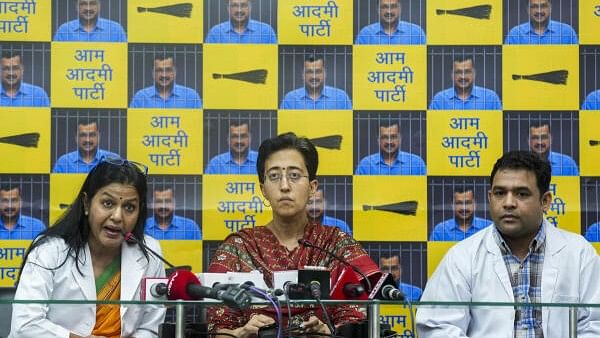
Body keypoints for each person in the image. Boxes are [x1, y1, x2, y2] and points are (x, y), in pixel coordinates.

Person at [207, 132, 381, 337]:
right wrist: (242, 333)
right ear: (263, 189)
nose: (284, 186)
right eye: (274, 176)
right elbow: (217, 328)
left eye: (294, 175)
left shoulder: (336, 245)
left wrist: (327, 332)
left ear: (312, 188)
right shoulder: (238, 247)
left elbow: (358, 324)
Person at [416, 151, 600, 338]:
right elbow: (437, 326)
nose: (508, 203)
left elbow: (596, 325)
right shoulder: (462, 257)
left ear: (545, 201)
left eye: (521, 194)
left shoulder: (579, 254)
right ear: (490, 197)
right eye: (500, 193)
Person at [10, 158, 166, 338]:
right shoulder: (49, 250)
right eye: (108, 203)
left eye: (129, 207)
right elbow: (25, 325)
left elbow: (151, 328)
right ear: (86, 203)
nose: (117, 216)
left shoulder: (149, 253)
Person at [130, 54, 202, 109]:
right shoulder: (141, 97)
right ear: (153, 73)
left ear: (175, 72)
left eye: (168, 70)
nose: (164, 75)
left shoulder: (191, 96)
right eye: (159, 70)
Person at [429, 56, 501, 110]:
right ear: (452, 75)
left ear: (474, 73)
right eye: (458, 72)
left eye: (467, 72)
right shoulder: (440, 99)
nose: (463, 76)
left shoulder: (491, 98)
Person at [280, 56, 352, 110]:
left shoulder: (341, 97)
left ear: (325, 74)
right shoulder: (290, 98)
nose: (314, 76)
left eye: (318, 72)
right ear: (303, 75)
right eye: (309, 72)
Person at [355, 122, 426, 175]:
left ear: (400, 138)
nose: (389, 142)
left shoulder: (417, 163)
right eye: (384, 137)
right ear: (378, 140)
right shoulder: (365, 164)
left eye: (393, 137)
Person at [53, 121, 120, 173]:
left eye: (92, 135)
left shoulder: (114, 159)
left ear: (98, 136)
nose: (87, 140)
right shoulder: (64, 162)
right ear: (76, 138)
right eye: (83, 135)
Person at [505, 0, 578, 45]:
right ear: (528, 9)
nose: (539, 11)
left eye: (543, 6)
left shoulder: (567, 32)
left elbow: (576, 62)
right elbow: (509, 63)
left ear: (550, 8)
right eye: (534, 6)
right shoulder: (515, 34)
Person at [355, 0, 425, 45]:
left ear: (400, 9)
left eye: (393, 6)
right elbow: (359, 64)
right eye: (384, 7)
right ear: (378, 10)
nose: (389, 11)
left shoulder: (416, 33)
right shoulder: (366, 34)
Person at [205, 0, 276, 44]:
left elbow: (273, 61)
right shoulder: (215, 32)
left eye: (244, 5)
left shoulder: (266, 31)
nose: (239, 10)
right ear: (228, 8)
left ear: (250, 8)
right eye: (234, 6)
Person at [54, 0, 126, 42]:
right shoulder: (64, 30)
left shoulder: (116, 29)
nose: (88, 8)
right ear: (77, 7)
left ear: (99, 6)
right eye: (83, 4)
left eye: (92, 4)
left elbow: (123, 58)